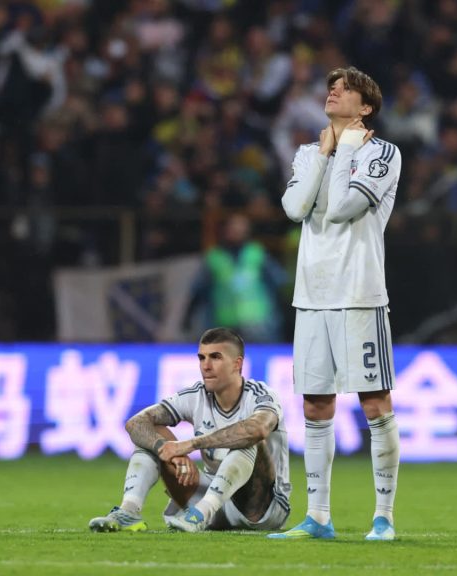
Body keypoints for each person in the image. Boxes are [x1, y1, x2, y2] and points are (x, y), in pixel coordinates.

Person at [271, 66, 402, 541]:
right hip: (312, 296)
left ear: (365, 107)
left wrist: (344, 149)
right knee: (315, 404)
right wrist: (326, 153)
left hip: (359, 294)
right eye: (332, 86)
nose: (333, 91)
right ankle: (318, 517)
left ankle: (383, 517)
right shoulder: (309, 153)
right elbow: (294, 208)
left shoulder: (382, 153)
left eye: (345, 89)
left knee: (374, 402)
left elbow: (346, 207)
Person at [88, 327, 291, 533]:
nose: (206, 366)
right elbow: (136, 423)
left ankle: (200, 514)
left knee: (248, 438)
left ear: (237, 364)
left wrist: (190, 445)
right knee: (150, 437)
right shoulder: (196, 395)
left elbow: (257, 429)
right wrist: (166, 449)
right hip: (214, 500)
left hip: (262, 509)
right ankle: (129, 511)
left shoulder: (260, 395)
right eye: (202, 358)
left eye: (215, 357)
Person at [185, 213, 288, 343]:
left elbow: (279, 285)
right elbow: (199, 290)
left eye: (241, 228)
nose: (237, 232)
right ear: (225, 230)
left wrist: (285, 317)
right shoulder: (214, 257)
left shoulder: (257, 253)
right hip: (224, 324)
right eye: (233, 228)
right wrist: (188, 317)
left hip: (259, 324)